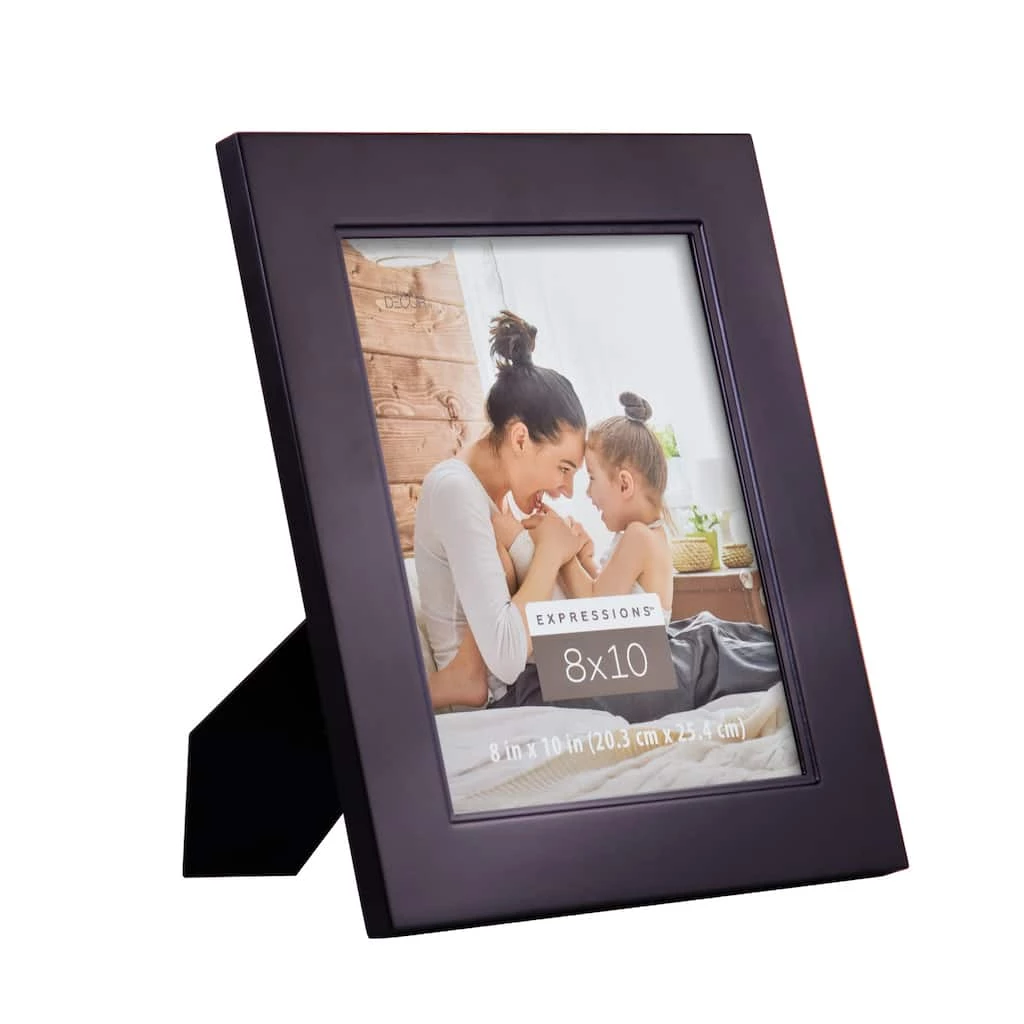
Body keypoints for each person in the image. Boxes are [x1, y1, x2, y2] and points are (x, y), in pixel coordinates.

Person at [491, 393, 782, 720]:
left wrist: (562, 551)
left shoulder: (638, 538)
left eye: (592, 478)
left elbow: (594, 610)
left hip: (637, 666)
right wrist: (584, 558)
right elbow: (614, 595)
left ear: (624, 484)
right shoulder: (645, 535)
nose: (587, 493)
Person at [415, 310, 587, 710]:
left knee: (708, 642)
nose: (566, 490)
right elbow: (507, 657)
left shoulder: (496, 499)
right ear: (521, 439)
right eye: (563, 469)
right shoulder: (456, 490)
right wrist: (550, 553)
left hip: (546, 673)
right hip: (508, 694)